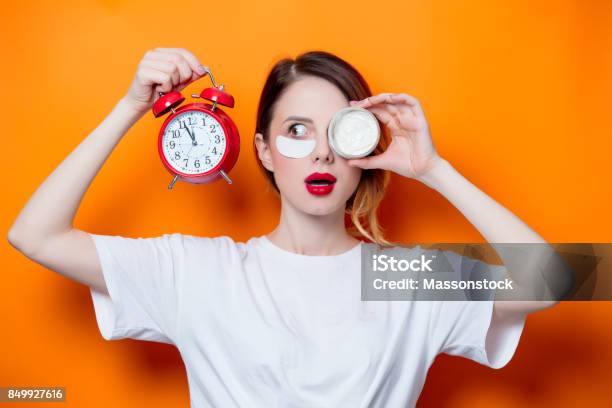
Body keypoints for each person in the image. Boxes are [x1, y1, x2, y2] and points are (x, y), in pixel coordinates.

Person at [8, 47, 558, 407]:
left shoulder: (402, 277)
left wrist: (435, 171)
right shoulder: (201, 272)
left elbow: (557, 280)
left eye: (340, 131)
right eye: (297, 130)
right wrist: (130, 107)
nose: (320, 153)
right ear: (265, 151)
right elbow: (35, 235)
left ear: (363, 145)